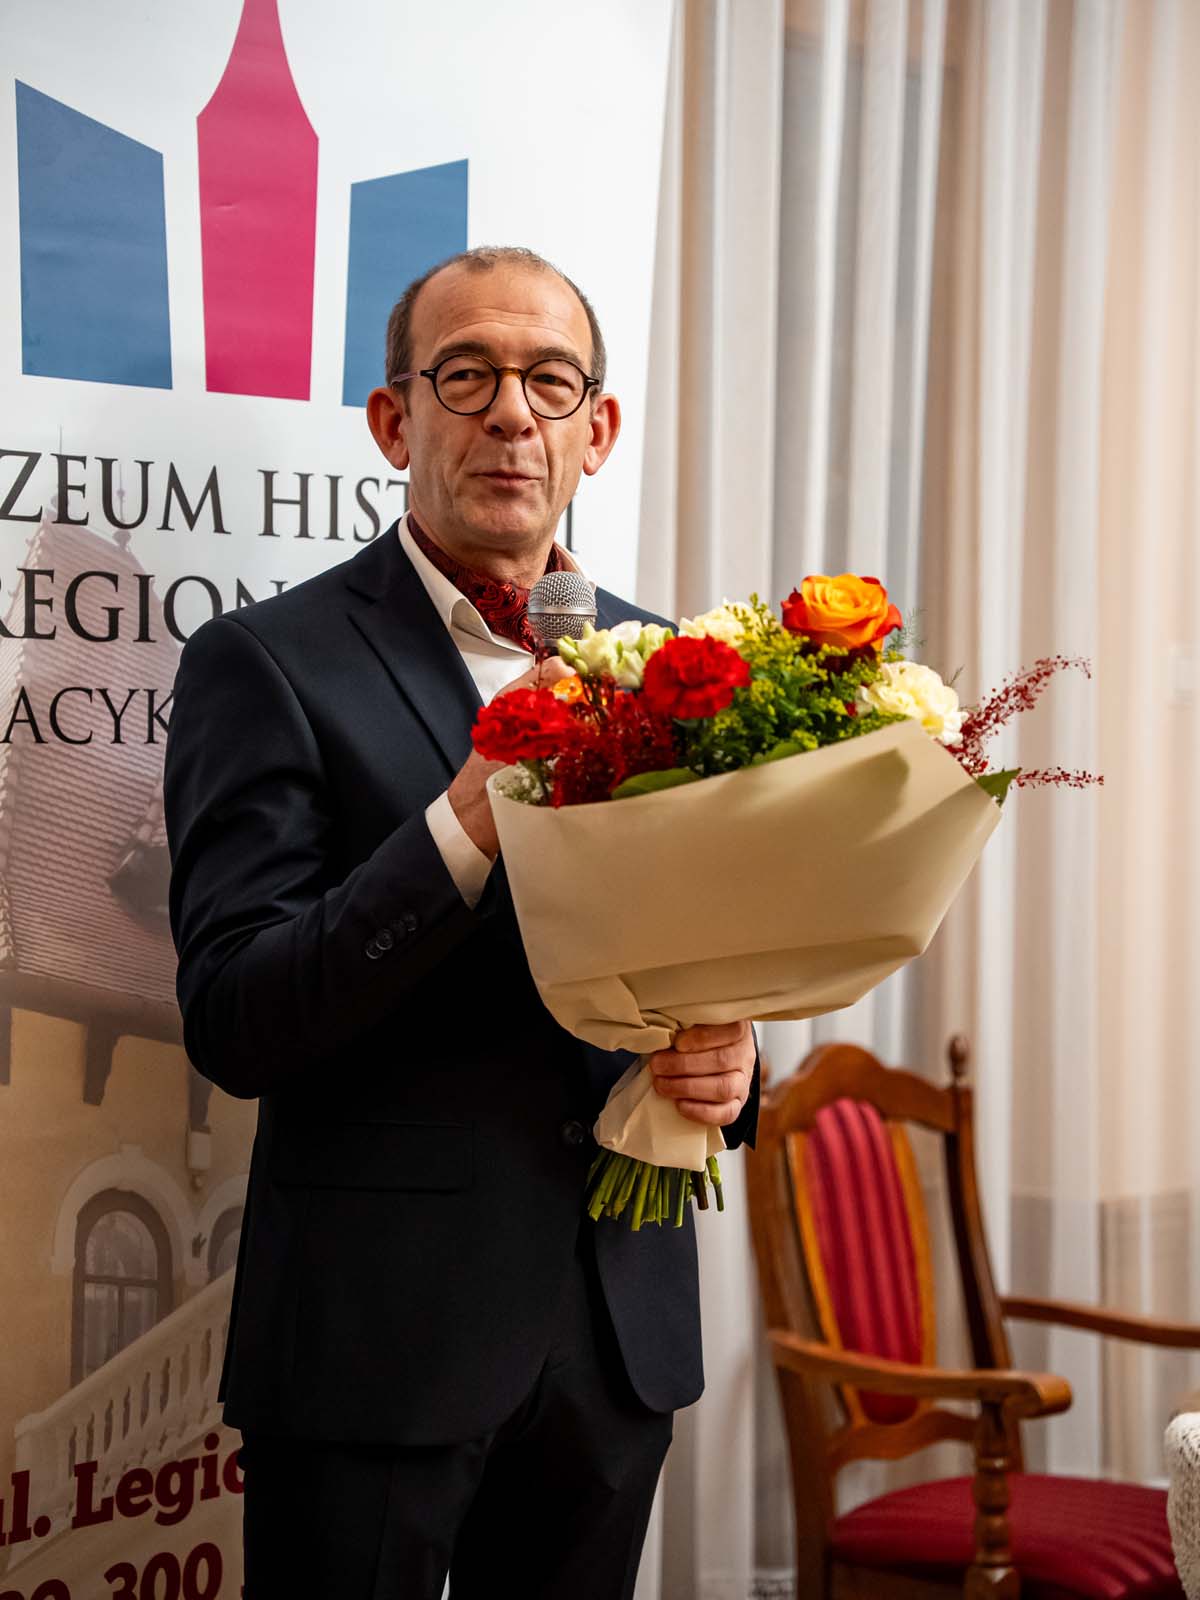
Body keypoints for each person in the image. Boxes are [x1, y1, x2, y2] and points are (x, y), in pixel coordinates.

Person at [164, 245, 759, 1600]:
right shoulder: (264, 663)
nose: (512, 415)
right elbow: (237, 1019)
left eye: (550, 381)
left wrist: (731, 1063)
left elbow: (713, 946)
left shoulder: (680, 668)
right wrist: (461, 823)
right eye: (469, 375)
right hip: (376, 1340)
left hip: (616, 1331)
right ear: (395, 421)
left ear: (598, 430)